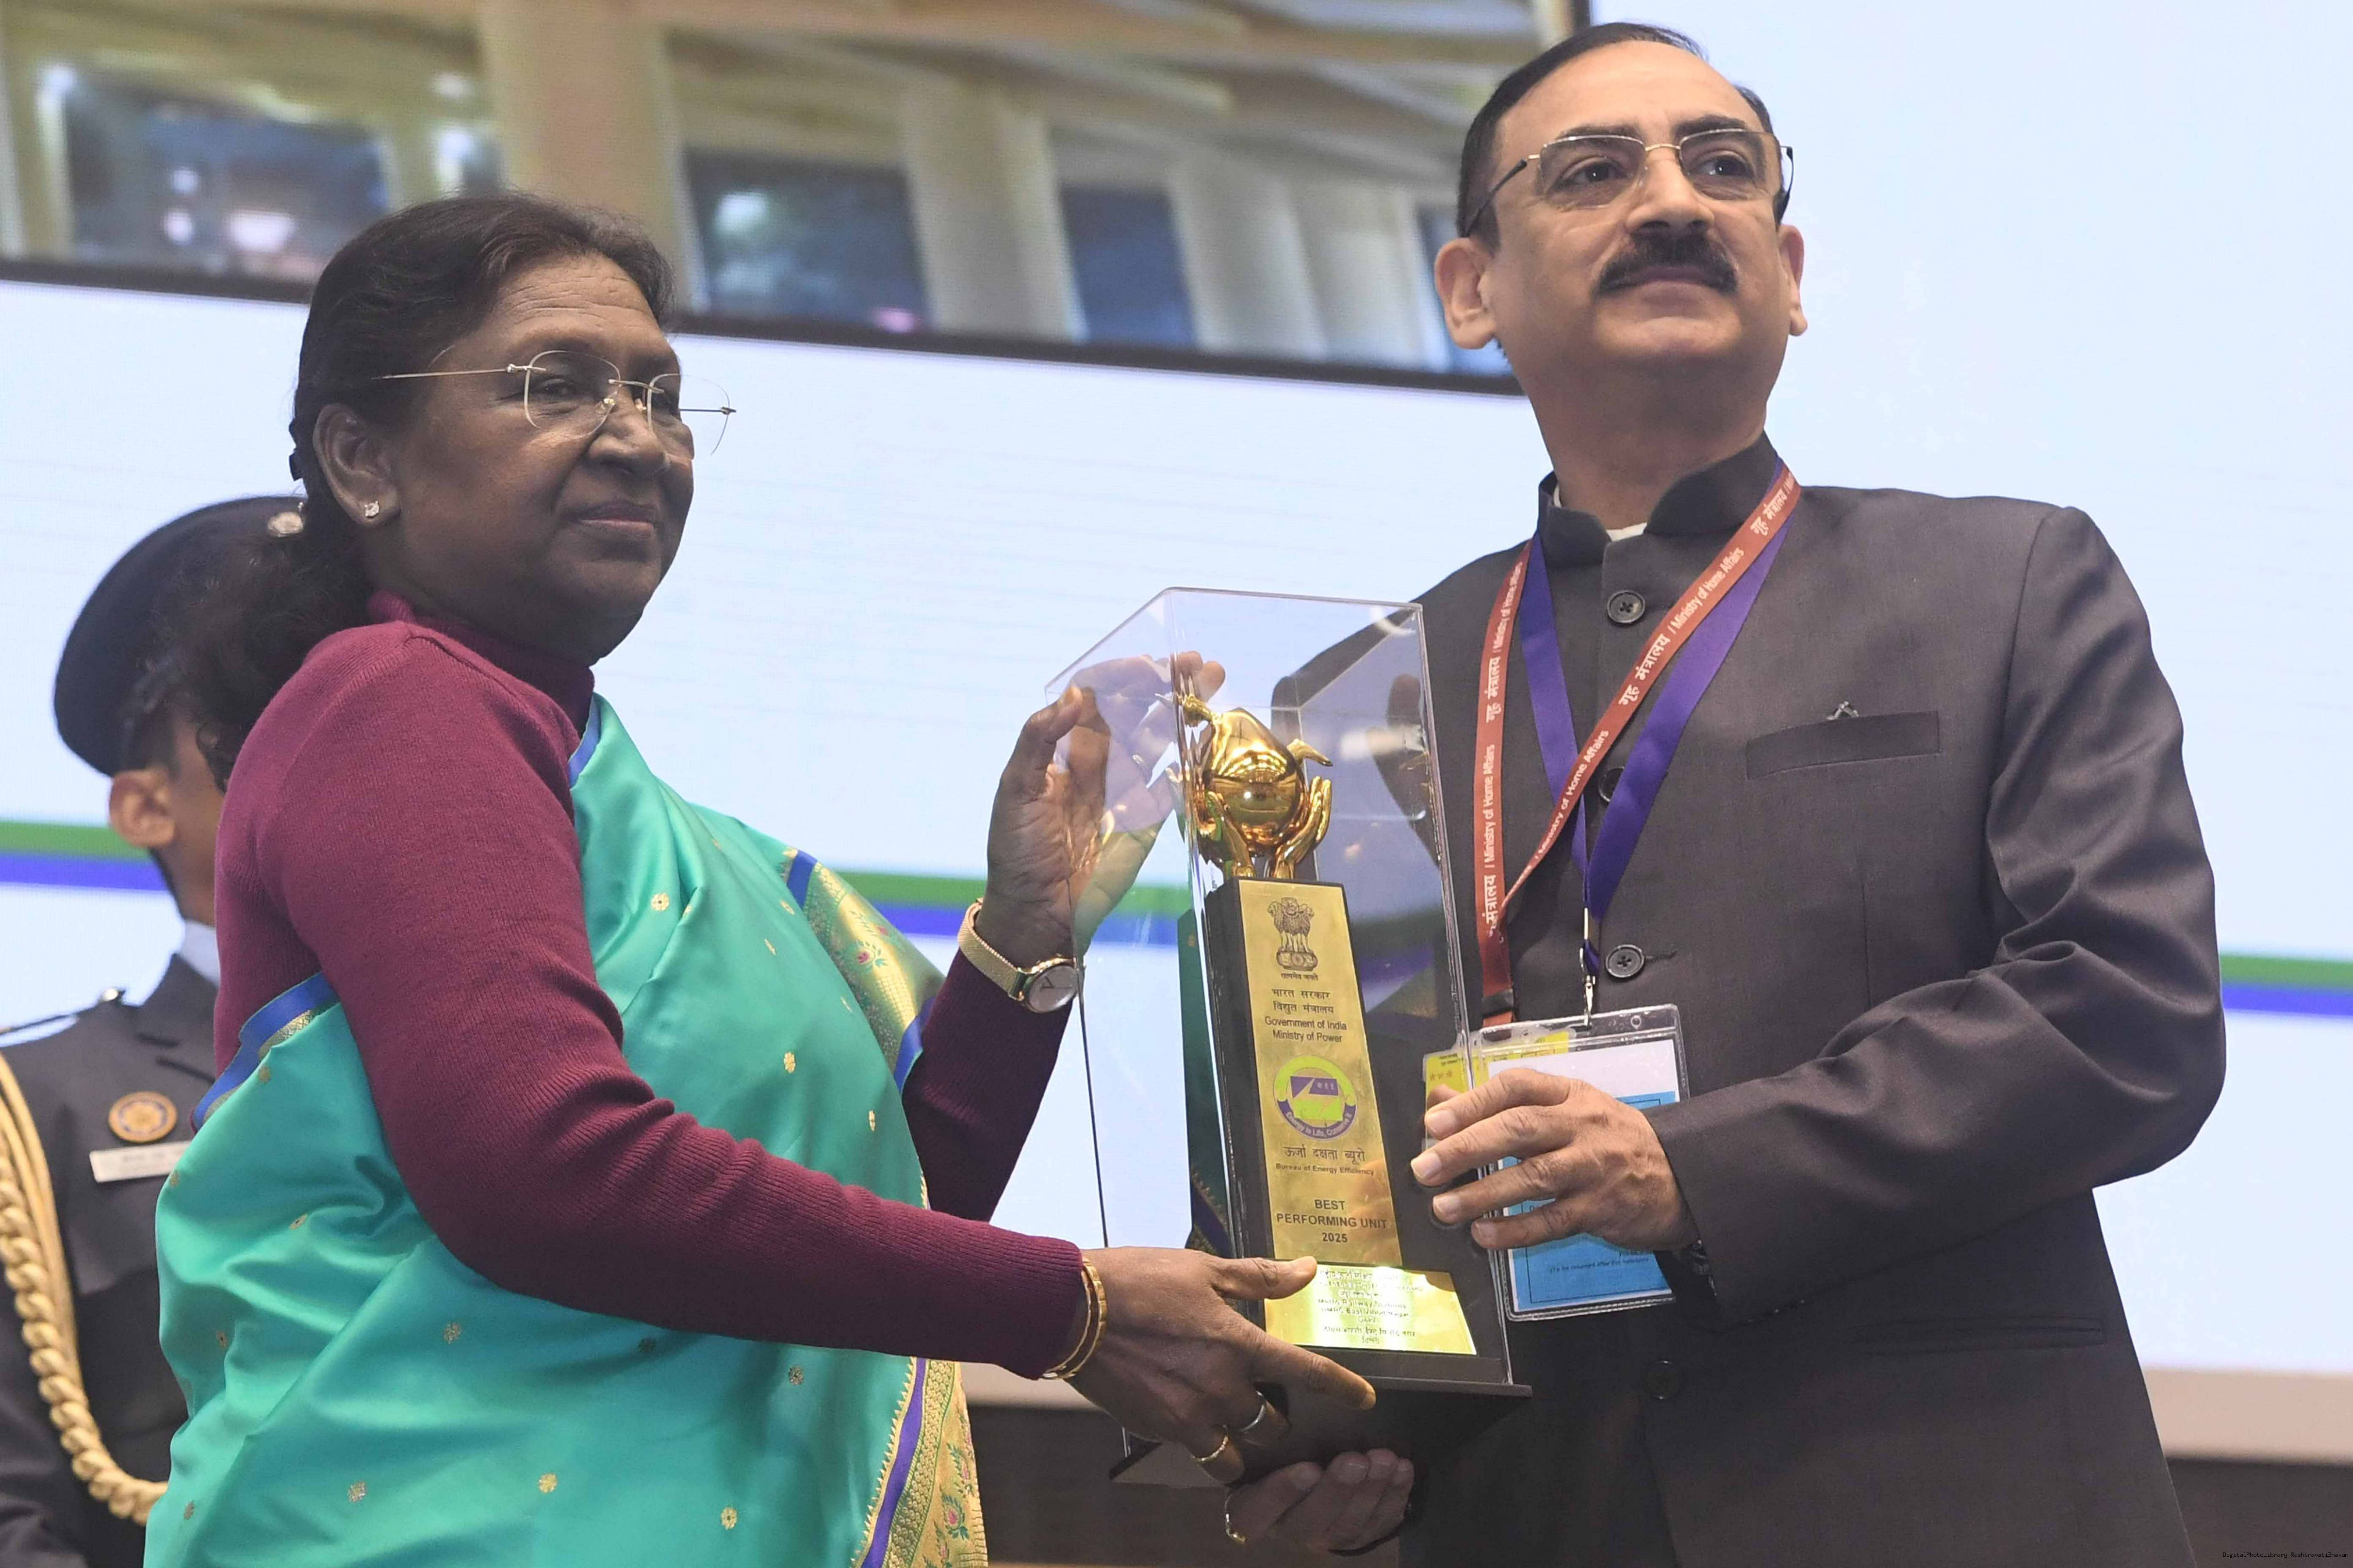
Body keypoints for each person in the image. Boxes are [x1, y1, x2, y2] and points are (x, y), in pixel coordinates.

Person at [148, 194, 1368, 1566]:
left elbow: (893, 1209)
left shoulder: (661, 823)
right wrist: (1067, 1304)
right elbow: (540, 1170)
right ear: (363, 458)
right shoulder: (398, 699)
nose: (636, 439)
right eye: (557, 385)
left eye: (661, 396)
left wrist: (1028, 930)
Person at [1225, 24, 2222, 1566]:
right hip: (1533, 1516)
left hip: (1947, 1504)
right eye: (1592, 172)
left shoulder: (2007, 581)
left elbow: (2125, 1014)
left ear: (1791, 270)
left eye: (1722, 166)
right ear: (1471, 291)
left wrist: (1690, 1171)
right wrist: (1333, 1423)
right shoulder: (1353, 701)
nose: (1675, 203)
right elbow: (1330, 1152)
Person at [0, 497, 289, 1568]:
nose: (318, 750)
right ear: (145, 807)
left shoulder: (506, 1054)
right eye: (252, 723)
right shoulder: (39, 1108)